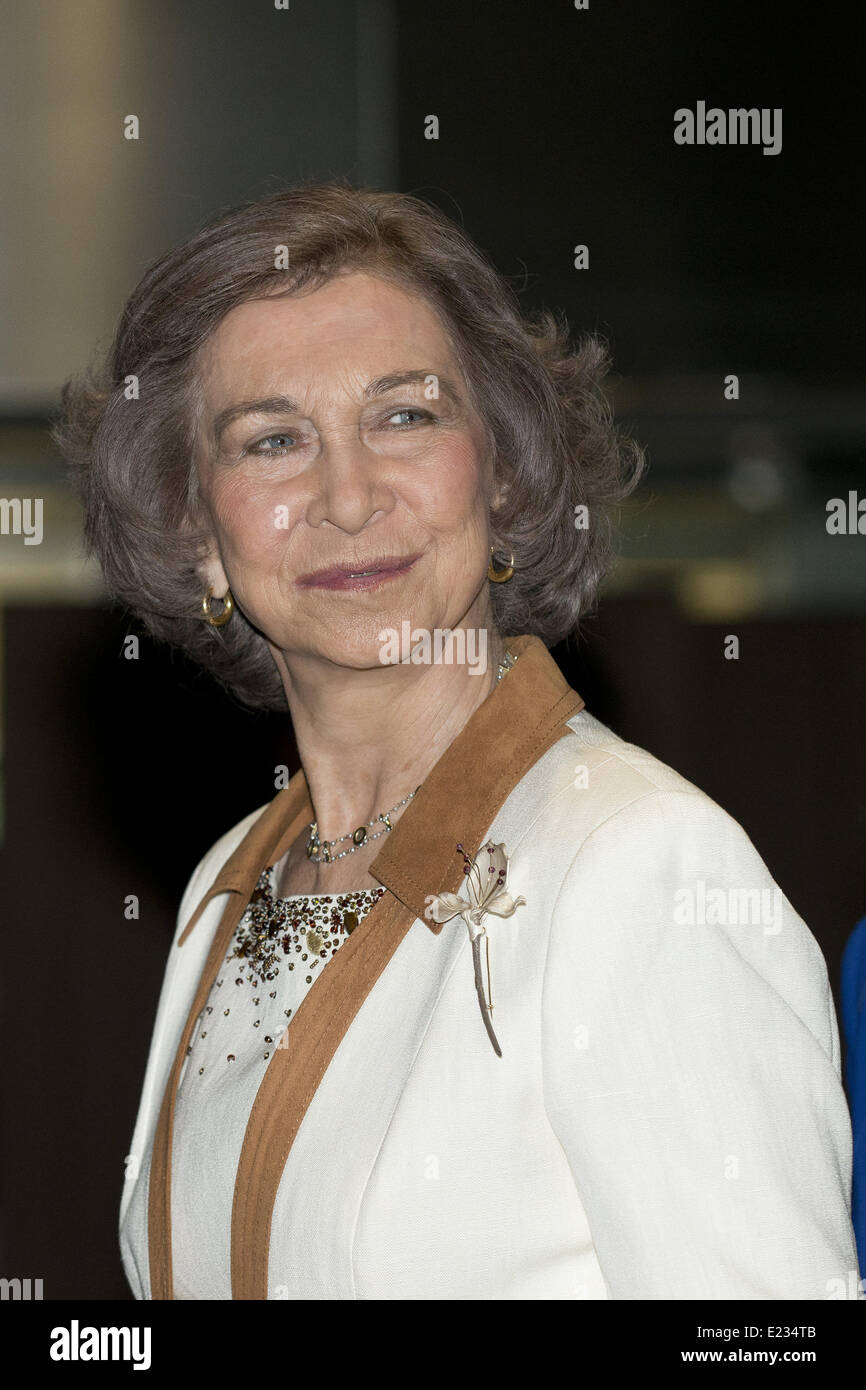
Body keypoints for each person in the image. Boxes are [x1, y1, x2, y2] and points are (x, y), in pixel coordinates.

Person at [55, 180, 862, 1300]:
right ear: (197, 530)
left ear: (505, 473)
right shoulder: (220, 890)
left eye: (403, 415)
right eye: (274, 438)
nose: (346, 495)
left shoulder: (637, 866)